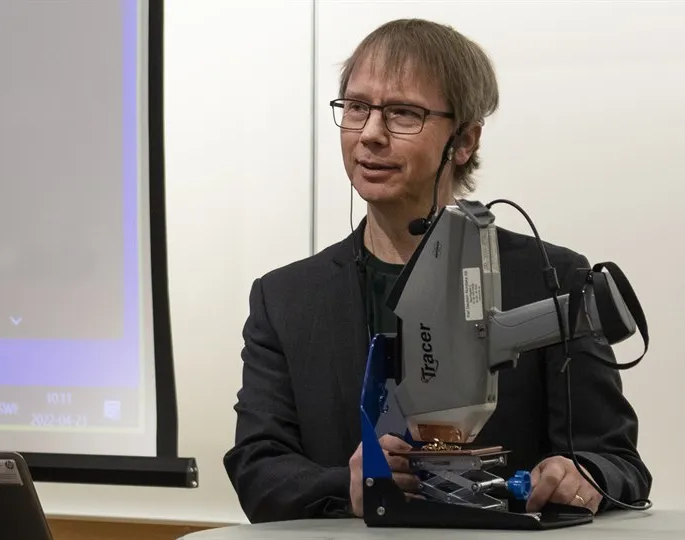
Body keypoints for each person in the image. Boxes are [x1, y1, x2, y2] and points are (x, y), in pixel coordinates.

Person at [223, 18, 652, 523]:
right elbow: (259, 471)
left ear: (464, 141)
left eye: (403, 113)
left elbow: (619, 462)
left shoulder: (551, 276)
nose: (371, 134)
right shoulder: (285, 298)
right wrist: (350, 487)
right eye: (357, 108)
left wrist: (585, 476)